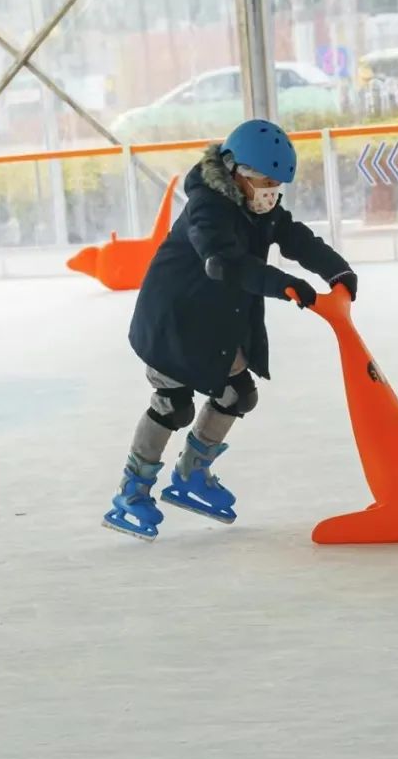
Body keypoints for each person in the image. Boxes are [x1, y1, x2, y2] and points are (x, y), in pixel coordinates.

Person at [103, 118, 357, 539]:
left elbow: (294, 237)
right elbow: (222, 262)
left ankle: (190, 475)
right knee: (174, 404)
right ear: (234, 170)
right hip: (174, 320)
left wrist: (337, 271)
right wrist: (284, 285)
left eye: (277, 183)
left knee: (239, 394)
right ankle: (132, 490)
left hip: (216, 321)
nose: (270, 191)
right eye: (263, 180)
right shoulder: (208, 207)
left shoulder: (260, 206)